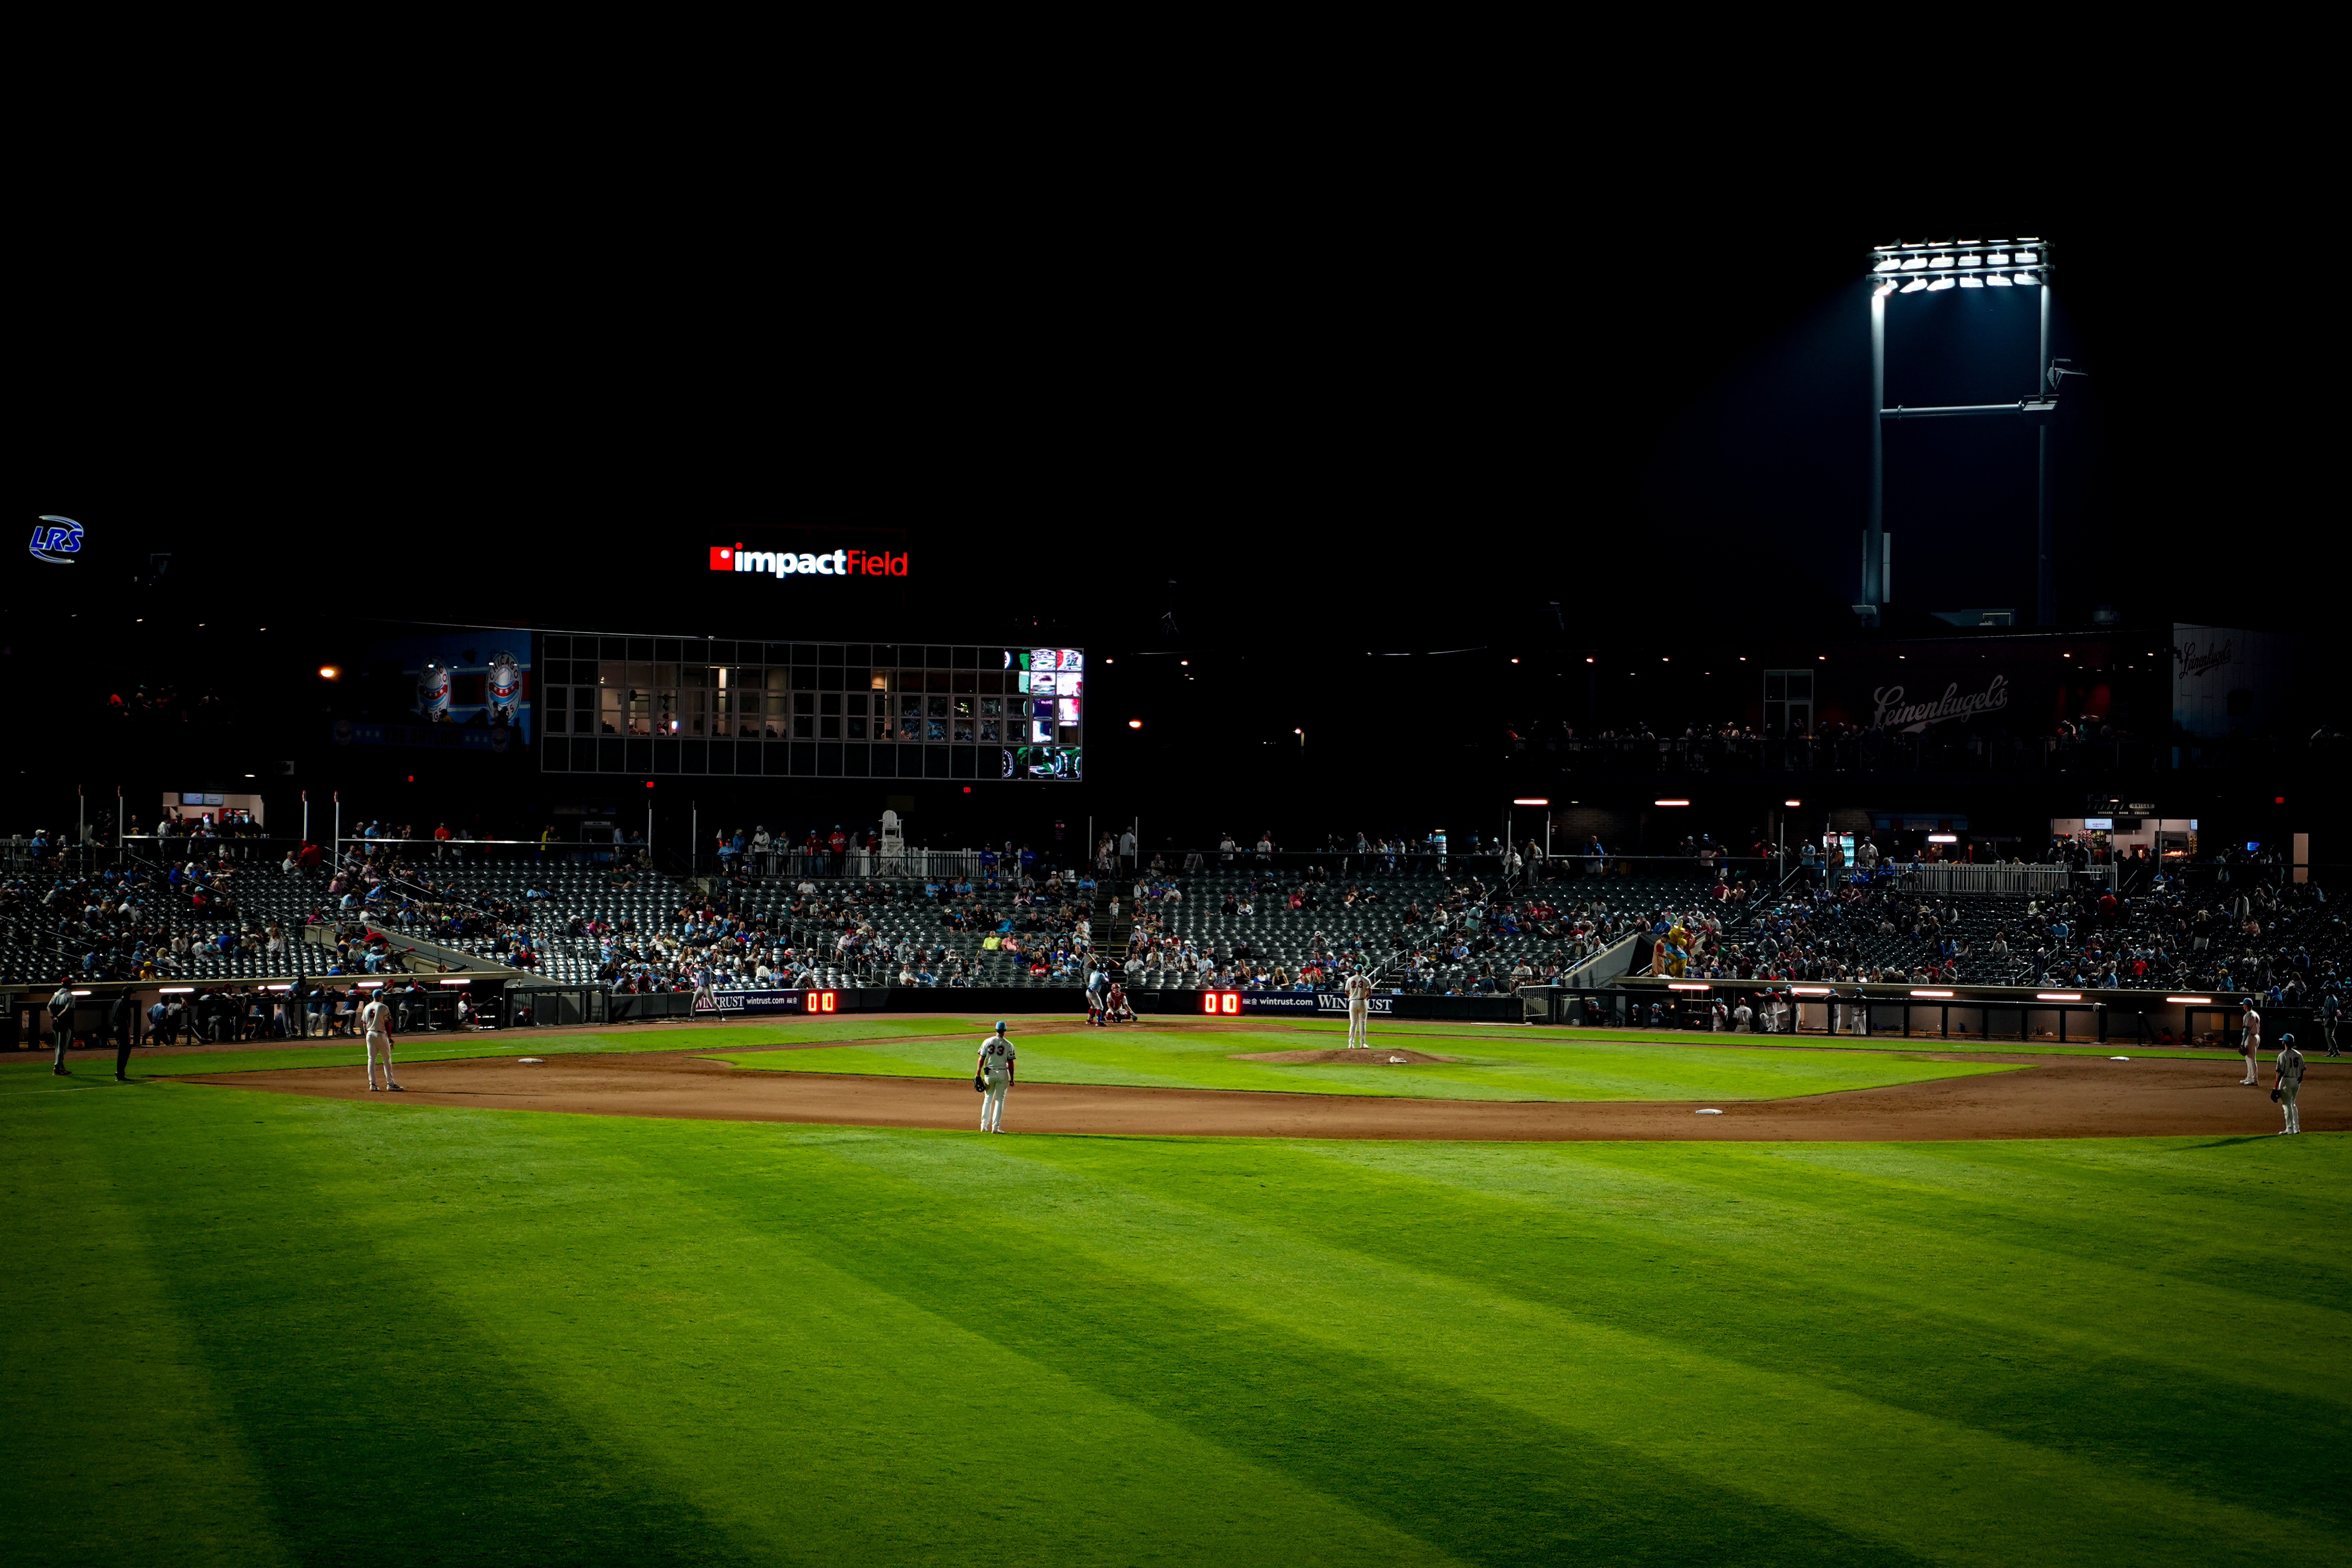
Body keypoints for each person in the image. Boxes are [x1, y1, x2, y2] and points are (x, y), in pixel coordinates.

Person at [975, 1021, 1015, 1133]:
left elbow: (981, 1059)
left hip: (989, 1074)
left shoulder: (987, 1041)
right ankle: (996, 1128)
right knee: (999, 1101)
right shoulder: (1009, 1045)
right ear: (1005, 1031)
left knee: (988, 1099)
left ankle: (983, 1127)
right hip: (1003, 1074)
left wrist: (978, 1073)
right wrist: (1012, 1078)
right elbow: (1011, 1064)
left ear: (996, 1030)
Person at [360, 992, 404, 1091]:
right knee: (387, 1060)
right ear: (380, 997)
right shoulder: (383, 1007)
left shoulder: (367, 1007)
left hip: (370, 1034)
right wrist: (389, 1038)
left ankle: (373, 1085)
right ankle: (390, 1084)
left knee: (371, 1060)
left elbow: (364, 1025)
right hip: (381, 1034)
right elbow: (388, 1024)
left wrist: (368, 1036)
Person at [2272, 1032, 2305, 1135]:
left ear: (2285, 1043)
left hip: (2286, 1081)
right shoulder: (2299, 1055)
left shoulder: (2283, 1055)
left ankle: (2289, 1129)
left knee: (2287, 1105)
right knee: (2293, 1104)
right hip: (2297, 1082)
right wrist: (2301, 1077)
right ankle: (2297, 1128)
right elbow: (2303, 1069)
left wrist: (2275, 1087)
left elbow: (2280, 1073)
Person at [49, 979, 76, 1074]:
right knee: (62, 1048)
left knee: (57, 1047)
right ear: (69, 985)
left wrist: (53, 1017)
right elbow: (67, 1009)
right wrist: (58, 1017)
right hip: (65, 1023)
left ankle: (61, 1067)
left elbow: (49, 1007)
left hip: (55, 1024)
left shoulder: (56, 994)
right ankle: (57, 1068)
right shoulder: (70, 996)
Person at [1344, 968, 1374, 1048]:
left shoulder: (1350, 979)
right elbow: (1369, 993)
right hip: (1362, 1001)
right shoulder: (1366, 980)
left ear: (1356, 971)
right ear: (1362, 971)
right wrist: (1365, 997)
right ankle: (1362, 1044)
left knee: (1353, 1023)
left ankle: (1351, 1044)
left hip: (1353, 1002)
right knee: (1363, 1023)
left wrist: (1353, 996)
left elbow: (1346, 991)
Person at [2238, 998, 2261, 1087]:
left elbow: (2246, 1030)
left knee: (2251, 1059)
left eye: (2244, 1005)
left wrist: (2243, 1042)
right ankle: (2249, 1078)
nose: (2243, 1006)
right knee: (2248, 1059)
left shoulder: (2248, 1015)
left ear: (2247, 1006)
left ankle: (2254, 1080)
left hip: (2251, 1038)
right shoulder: (2256, 1014)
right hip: (2256, 1037)